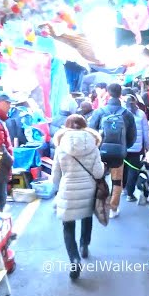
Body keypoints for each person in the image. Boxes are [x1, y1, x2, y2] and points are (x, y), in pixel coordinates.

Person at [52, 115, 105, 280]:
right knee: (86, 216)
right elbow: (98, 173)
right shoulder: (93, 146)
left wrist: (57, 189)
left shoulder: (61, 147)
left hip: (67, 190)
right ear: (85, 126)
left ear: (66, 127)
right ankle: (84, 245)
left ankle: (74, 259)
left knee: (67, 226)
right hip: (88, 189)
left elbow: (55, 176)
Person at [89, 83, 136, 219]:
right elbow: (132, 136)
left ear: (108, 94)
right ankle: (113, 209)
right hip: (118, 154)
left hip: (101, 152)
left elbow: (91, 132)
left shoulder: (99, 112)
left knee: (99, 179)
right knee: (117, 182)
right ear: (120, 95)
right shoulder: (127, 114)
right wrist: (124, 147)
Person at [122, 95, 149, 202]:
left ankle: (124, 188)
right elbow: (145, 132)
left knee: (123, 169)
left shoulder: (122, 113)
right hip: (136, 148)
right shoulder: (141, 114)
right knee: (133, 170)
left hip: (123, 147)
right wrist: (147, 145)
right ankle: (130, 194)